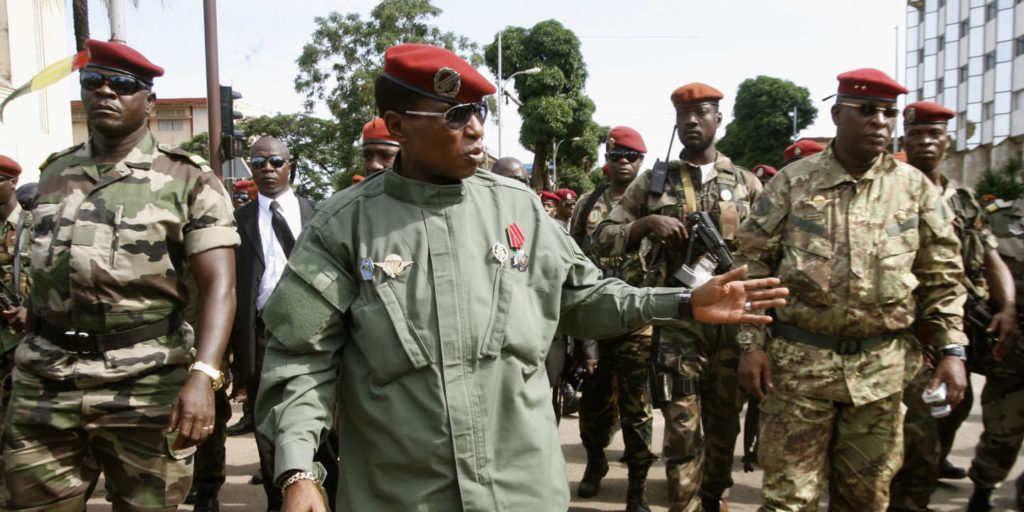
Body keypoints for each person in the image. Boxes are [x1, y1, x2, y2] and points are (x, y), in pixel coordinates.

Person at [254, 43, 788, 512]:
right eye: (455, 114)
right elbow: (300, 358)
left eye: (480, 111)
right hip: (402, 494)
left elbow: (582, 299)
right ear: (397, 126)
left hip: (520, 490)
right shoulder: (345, 225)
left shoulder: (520, 209)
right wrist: (299, 471)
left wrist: (682, 303)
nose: (476, 127)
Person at [0, 39, 238, 511]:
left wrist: (203, 377)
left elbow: (220, 287)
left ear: (148, 102)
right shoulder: (54, 173)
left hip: (146, 384)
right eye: (93, 82)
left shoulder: (189, 179)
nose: (105, 92)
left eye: (122, 85)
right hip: (46, 381)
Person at [735, 68, 968, 510]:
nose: (880, 121)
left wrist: (953, 351)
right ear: (838, 114)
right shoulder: (793, 182)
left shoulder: (914, 189)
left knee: (865, 501)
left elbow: (943, 277)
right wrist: (751, 345)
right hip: (800, 373)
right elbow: (751, 266)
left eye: (888, 113)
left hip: (881, 377)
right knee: (788, 501)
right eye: (867, 111)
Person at [593, 82, 762, 512]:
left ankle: (715, 499)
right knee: (682, 433)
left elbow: (768, 257)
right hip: (677, 325)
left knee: (725, 430)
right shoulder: (654, 181)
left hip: (731, 327)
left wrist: (758, 339)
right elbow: (603, 237)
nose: (692, 121)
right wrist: (646, 223)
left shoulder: (747, 184)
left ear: (718, 119)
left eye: (702, 112)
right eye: (684, 115)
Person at [887, 101, 1018, 512]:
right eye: (918, 134)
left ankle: (942, 472)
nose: (926, 142)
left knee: (959, 406)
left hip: (963, 323)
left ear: (947, 141)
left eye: (935, 134)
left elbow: (992, 257)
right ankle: (909, 497)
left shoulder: (964, 198)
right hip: (911, 329)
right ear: (903, 139)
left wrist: (1008, 307)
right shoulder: (891, 191)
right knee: (918, 424)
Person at [228, 136, 325, 511]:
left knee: (320, 422)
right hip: (261, 335)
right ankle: (278, 499)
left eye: (275, 162)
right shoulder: (237, 222)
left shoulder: (318, 215)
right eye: (258, 163)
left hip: (316, 333)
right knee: (268, 426)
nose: (267, 169)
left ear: (290, 166)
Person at [570, 126, 657, 511]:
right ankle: (595, 461)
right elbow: (571, 256)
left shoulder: (654, 205)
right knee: (593, 404)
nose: (622, 162)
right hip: (595, 320)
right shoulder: (588, 204)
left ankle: (636, 486)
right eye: (615, 156)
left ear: (642, 161)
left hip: (639, 321)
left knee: (638, 408)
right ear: (606, 161)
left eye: (630, 156)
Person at [965, 161, 1024, 510]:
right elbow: (981, 264)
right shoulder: (999, 219)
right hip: (1014, 341)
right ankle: (983, 491)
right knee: (1002, 431)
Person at [0, 155, 30, 441]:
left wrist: (33, 312)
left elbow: (62, 281)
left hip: (24, 342)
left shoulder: (38, 227)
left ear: (13, 182)